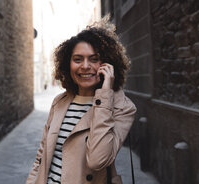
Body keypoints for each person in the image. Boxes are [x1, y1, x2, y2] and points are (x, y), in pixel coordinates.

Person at [26, 22, 136, 184]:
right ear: (67, 64)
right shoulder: (60, 101)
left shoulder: (122, 107)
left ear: (108, 64)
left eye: (94, 59)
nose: (85, 66)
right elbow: (41, 157)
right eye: (78, 59)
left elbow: (98, 160)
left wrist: (105, 95)